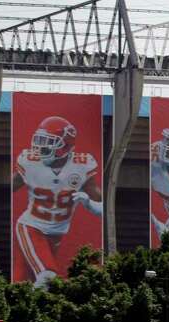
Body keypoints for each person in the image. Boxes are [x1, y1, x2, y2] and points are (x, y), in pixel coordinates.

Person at [13, 116, 102, 288]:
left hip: (56, 235)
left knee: (22, 283)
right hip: (31, 227)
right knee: (47, 276)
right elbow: (9, 186)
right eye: (40, 140)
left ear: (66, 146)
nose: (41, 146)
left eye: (48, 141)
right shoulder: (29, 162)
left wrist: (90, 204)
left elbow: (101, 202)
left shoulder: (82, 165)